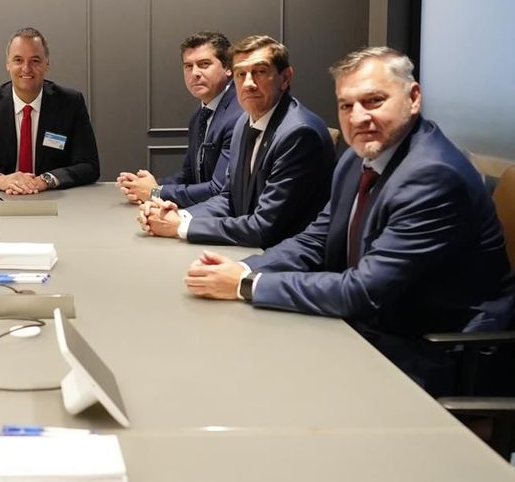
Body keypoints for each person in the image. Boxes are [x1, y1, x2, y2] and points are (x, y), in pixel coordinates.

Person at [183, 47, 514, 392]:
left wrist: (245, 286)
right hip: (377, 328)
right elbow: (317, 239)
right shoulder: (360, 158)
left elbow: (363, 291)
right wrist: (246, 269)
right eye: (346, 105)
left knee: (263, 383)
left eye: (373, 101)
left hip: (435, 355)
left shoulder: (433, 176)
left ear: (413, 98)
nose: (358, 118)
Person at [139, 35, 334, 248]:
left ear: (285, 78)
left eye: (260, 72)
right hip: (247, 246)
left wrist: (179, 227)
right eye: (241, 74)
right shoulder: (244, 122)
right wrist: (178, 215)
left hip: (285, 259)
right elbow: (228, 198)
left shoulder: (299, 133)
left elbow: (264, 228)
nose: (248, 83)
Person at [0, 27, 100, 194]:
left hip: (55, 202)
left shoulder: (70, 103)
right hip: (0, 200)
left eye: (35, 60)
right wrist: (1, 180)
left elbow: (89, 166)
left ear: (47, 63)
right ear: (7, 64)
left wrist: (46, 180)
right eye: (18, 60)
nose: (26, 68)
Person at [117, 31, 241, 207]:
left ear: (228, 68)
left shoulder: (239, 116)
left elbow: (218, 189)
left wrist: (154, 192)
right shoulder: (198, 116)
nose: (194, 73)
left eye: (204, 64)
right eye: (188, 66)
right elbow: (189, 175)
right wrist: (145, 186)